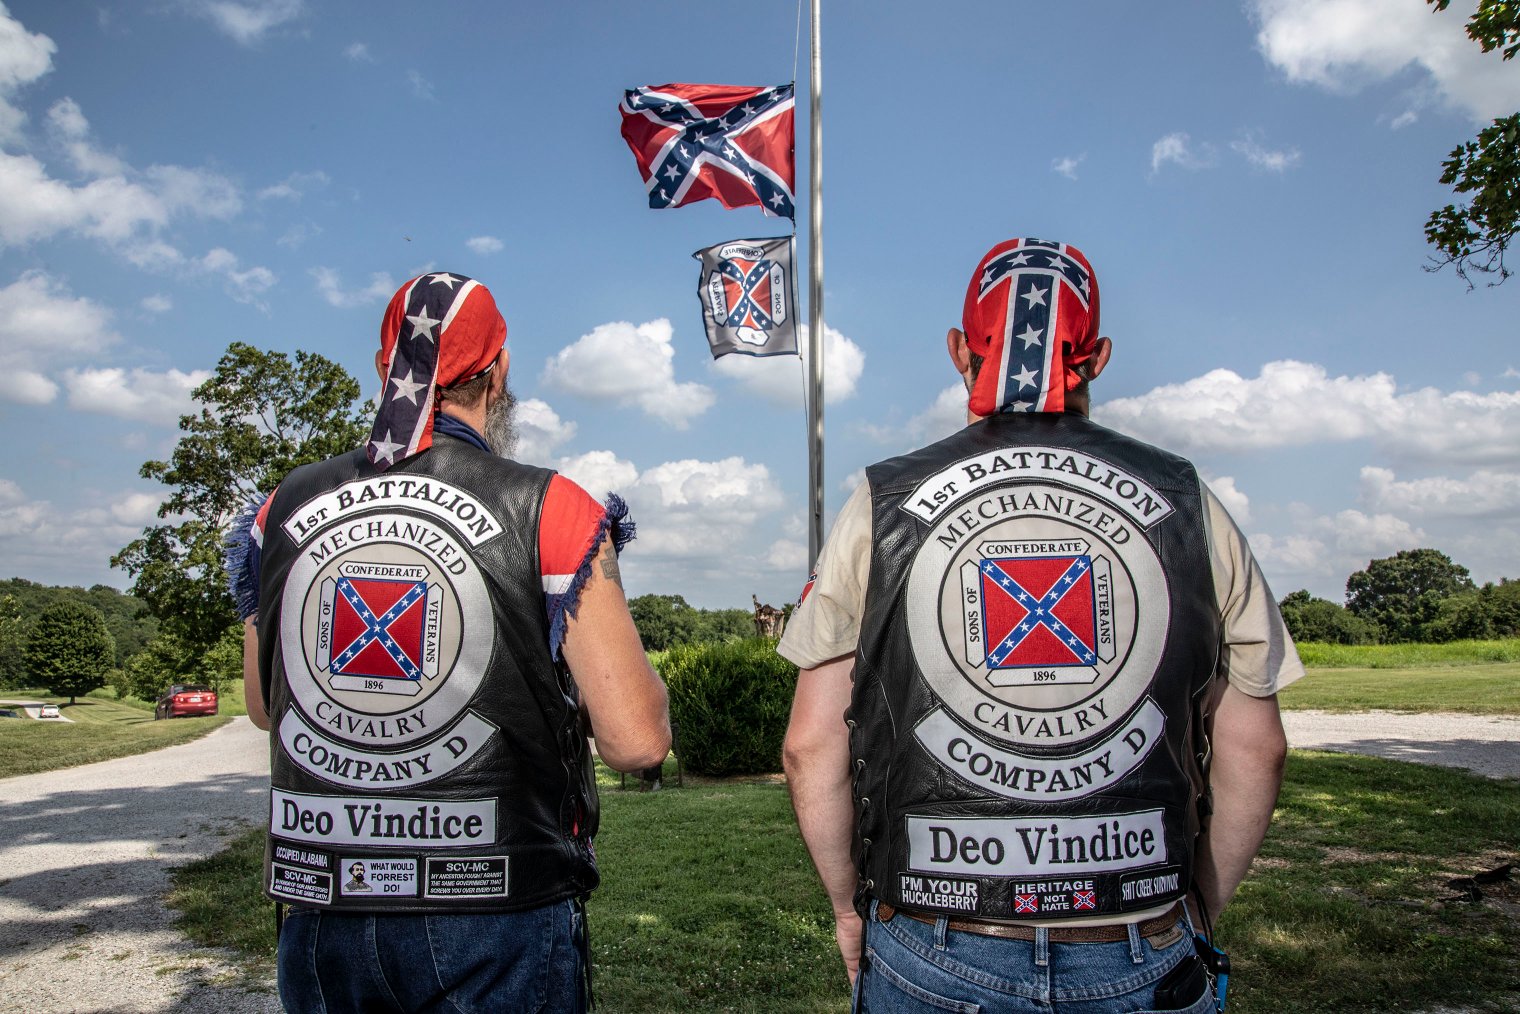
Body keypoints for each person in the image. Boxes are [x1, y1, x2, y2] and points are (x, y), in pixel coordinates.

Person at [780, 238, 1300, 1013]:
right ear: (1099, 355)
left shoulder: (880, 501)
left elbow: (808, 745)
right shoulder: (1190, 502)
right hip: (1138, 937)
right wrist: (1194, 912)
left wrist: (850, 909)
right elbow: (1257, 746)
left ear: (960, 350)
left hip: (934, 935)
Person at [229, 272, 671, 1014]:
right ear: (499, 374)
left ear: (384, 368)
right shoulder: (551, 506)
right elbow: (636, 742)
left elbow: (267, 706)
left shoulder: (281, 508)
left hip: (321, 902)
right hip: (494, 907)